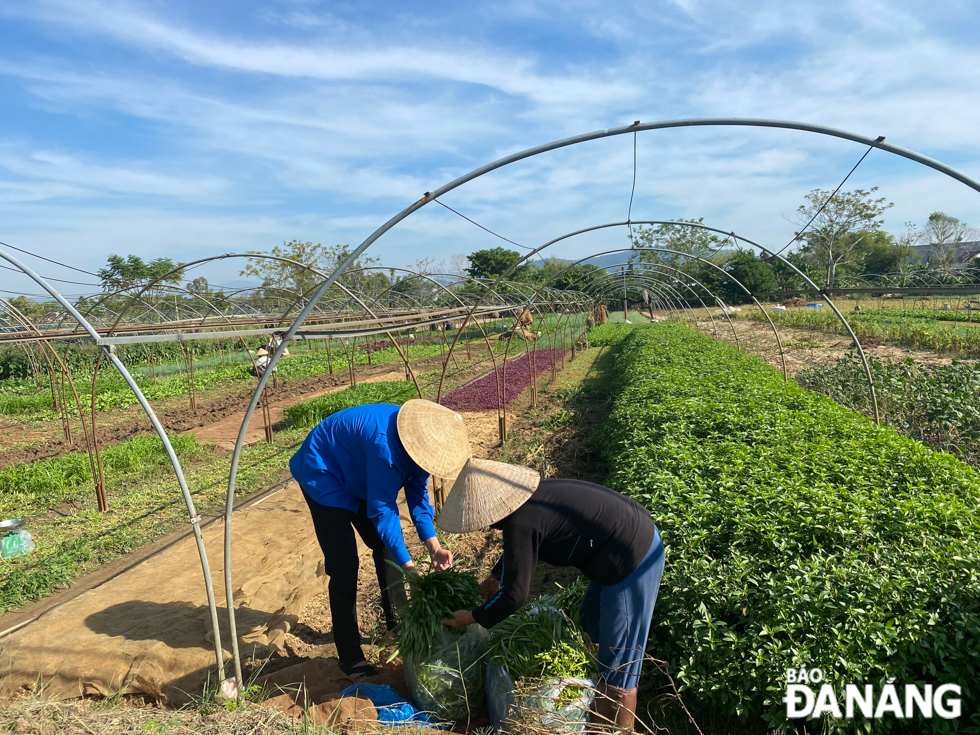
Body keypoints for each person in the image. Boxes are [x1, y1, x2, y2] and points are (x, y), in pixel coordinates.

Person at [438, 458, 664, 731]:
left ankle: (615, 727)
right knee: (592, 623)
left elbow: (515, 597)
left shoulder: (521, 521)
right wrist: (497, 577)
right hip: (613, 546)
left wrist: (472, 617)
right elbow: (521, 549)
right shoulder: (530, 501)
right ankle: (592, 689)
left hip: (631, 557)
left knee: (620, 662)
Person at [289, 399, 471, 680]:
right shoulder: (385, 447)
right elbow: (384, 512)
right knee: (344, 564)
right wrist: (411, 570)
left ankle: (396, 624)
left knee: (385, 546)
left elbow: (419, 496)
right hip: (323, 469)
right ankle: (350, 658)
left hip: (358, 470)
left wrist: (434, 545)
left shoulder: (420, 447)